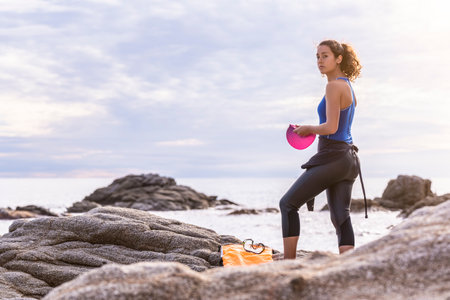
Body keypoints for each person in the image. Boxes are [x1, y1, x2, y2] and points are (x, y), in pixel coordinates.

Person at [279, 39, 364, 259]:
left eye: (325, 55)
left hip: (334, 157)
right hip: (349, 159)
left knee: (287, 204)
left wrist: (309, 128)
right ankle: (348, 264)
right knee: (340, 216)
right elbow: (338, 126)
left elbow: (331, 127)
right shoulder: (347, 86)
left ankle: (288, 264)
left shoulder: (333, 86)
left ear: (339, 58)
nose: (320, 60)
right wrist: (312, 129)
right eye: (317, 56)